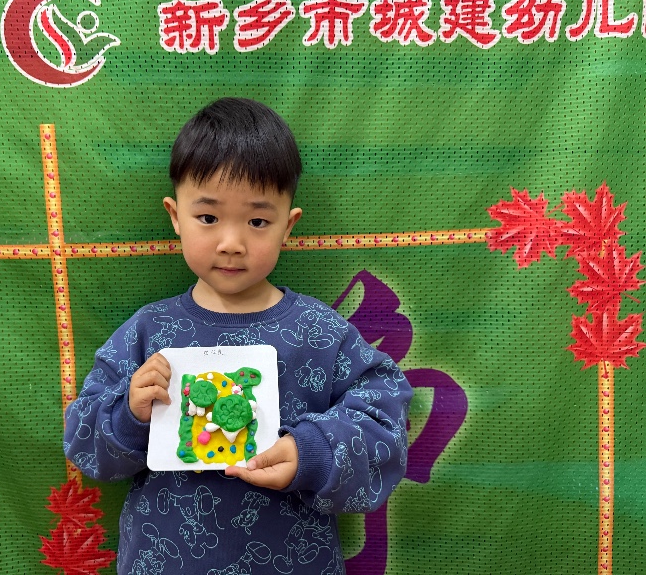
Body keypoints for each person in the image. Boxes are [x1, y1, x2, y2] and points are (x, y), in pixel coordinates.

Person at [63, 97, 413, 574]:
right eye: (208, 218)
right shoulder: (147, 332)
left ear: (288, 225)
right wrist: (128, 414)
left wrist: (311, 453)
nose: (232, 243)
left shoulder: (321, 332)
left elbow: (386, 422)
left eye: (257, 221)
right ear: (175, 216)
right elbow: (83, 443)